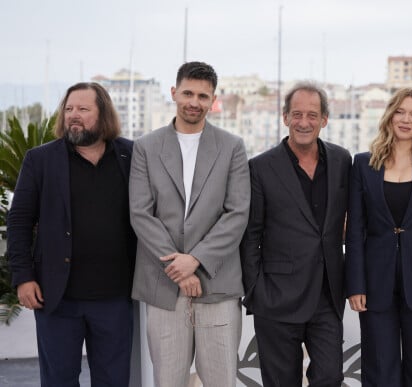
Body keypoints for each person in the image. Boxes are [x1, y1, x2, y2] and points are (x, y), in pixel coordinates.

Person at [129, 61, 250, 387]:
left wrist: (194, 261)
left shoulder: (232, 147)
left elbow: (237, 213)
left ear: (212, 100)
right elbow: (141, 213)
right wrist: (178, 268)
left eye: (202, 95)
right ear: (174, 93)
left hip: (217, 285)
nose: (194, 101)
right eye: (188, 93)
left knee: (221, 381)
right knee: (168, 381)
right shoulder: (146, 147)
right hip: (163, 286)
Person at [7, 82, 136, 386]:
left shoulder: (130, 155)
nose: (73, 116)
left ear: (102, 114)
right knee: (59, 380)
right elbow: (19, 221)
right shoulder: (40, 160)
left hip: (115, 298)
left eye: (82, 109)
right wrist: (23, 277)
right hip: (57, 299)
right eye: (68, 109)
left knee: (114, 380)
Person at [240, 82, 351, 386]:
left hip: (328, 296)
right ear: (285, 116)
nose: (304, 122)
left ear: (324, 119)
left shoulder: (342, 161)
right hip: (276, 298)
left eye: (312, 115)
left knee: (330, 377)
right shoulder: (260, 167)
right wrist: (256, 291)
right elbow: (251, 235)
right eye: (297, 114)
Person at [345, 87, 412, 386]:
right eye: (401, 112)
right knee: (380, 369)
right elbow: (355, 229)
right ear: (390, 115)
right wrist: (355, 284)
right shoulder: (363, 164)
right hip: (375, 282)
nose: (406, 120)